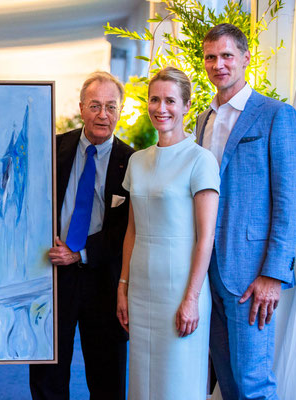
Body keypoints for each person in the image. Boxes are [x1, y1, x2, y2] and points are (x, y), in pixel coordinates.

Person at [196, 23, 296, 399]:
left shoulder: (277, 115)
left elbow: (289, 202)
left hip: (252, 276)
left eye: (227, 55)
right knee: (228, 381)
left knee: (254, 383)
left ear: (244, 58)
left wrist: (273, 275)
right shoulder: (203, 120)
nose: (218, 64)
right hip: (209, 272)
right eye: (211, 57)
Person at [29, 71, 134, 399]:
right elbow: (32, 202)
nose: (103, 114)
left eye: (111, 106)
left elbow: (126, 229)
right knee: (48, 372)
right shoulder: (54, 148)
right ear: (81, 108)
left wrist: (82, 252)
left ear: (120, 110)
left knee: (107, 375)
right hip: (53, 273)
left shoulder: (132, 162)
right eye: (95, 106)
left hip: (104, 279)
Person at [117, 67, 220, 399]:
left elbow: (206, 237)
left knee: (177, 381)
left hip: (179, 288)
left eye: (171, 101)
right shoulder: (136, 161)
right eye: (155, 99)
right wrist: (123, 286)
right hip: (141, 286)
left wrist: (191, 299)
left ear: (187, 106)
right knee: (142, 381)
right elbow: (132, 230)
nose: (161, 108)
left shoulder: (200, 160)